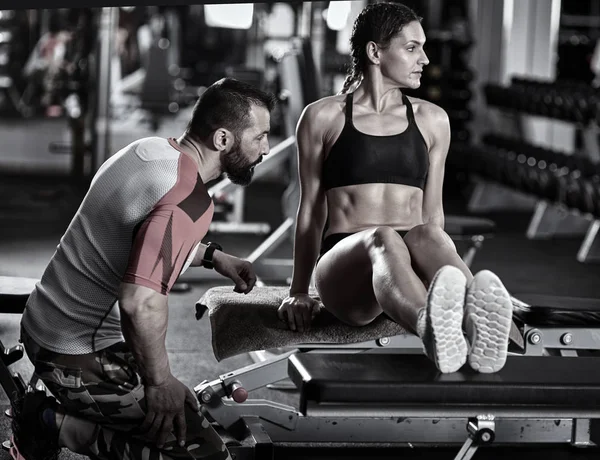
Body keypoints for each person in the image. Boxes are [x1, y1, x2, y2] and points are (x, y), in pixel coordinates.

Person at [11, 77, 276, 460]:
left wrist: (213, 256)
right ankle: (51, 424)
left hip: (48, 323)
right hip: (72, 352)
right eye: (260, 137)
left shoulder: (150, 152)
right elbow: (140, 303)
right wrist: (159, 381)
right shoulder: (189, 198)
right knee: (201, 452)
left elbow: (141, 236)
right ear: (222, 140)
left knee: (187, 413)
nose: (266, 148)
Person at [277, 2, 513, 375]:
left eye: (423, 47)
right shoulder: (324, 117)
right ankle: (431, 327)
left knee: (427, 235)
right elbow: (309, 211)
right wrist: (299, 290)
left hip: (404, 271)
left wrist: (438, 258)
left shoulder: (433, 120)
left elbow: (433, 214)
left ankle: (478, 321)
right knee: (383, 237)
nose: (425, 58)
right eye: (412, 47)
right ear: (375, 52)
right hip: (345, 273)